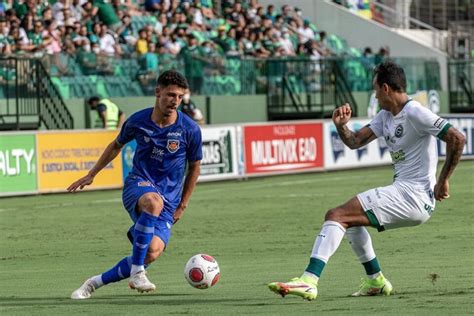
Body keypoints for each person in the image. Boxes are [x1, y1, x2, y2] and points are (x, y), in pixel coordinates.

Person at [268, 61, 465, 301]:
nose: (374, 95)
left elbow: (457, 138)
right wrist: (341, 127)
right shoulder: (386, 116)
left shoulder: (415, 112)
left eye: (374, 90)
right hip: (406, 193)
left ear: (385, 88)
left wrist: (443, 181)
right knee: (351, 221)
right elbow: (354, 142)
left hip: (413, 196)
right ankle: (376, 281)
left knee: (336, 215)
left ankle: (309, 280)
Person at [69, 70, 202, 299]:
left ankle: (93, 283)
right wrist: (92, 174)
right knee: (152, 202)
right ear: (157, 92)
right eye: (171, 95)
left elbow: (195, 167)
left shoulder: (189, 129)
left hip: (169, 201)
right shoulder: (138, 121)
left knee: (151, 251)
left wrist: (183, 205)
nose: (175, 101)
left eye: (180, 97)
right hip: (138, 185)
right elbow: (115, 145)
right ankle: (138, 273)